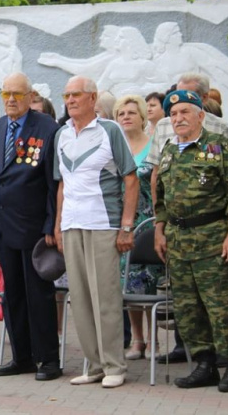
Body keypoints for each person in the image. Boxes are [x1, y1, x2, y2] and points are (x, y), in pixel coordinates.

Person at [154, 89, 228, 392]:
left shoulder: (219, 147)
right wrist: (159, 230)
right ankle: (204, 363)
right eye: (174, 114)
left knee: (222, 306)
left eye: (184, 112)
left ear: (200, 115)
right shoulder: (169, 150)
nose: (178, 118)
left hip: (213, 238)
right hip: (178, 241)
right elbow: (161, 199)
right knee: (187, 308)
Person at [53, 78, 138, 388]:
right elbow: (62, 184)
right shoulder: (61, 134)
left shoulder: (110, 130)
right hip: (72, 224)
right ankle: (95, 364)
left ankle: (115, 365)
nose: (70, 100)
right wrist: (58, 225)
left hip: (104, 223)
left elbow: (131, 179)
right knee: (80, 296)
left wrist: (126, 226)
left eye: (76, 94)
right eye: (67, 95)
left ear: (92, 98)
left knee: (105, 296)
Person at [0, 72, 62, 381]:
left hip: (34, 227)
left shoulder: (47, 128)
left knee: (38, 296)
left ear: (31, 96)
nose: (12, 100)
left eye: (18, 94)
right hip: (3, 226)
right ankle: (22, 357)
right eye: (6, 94)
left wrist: (50, 222)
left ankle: (49, 360)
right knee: (12, 295)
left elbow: (52, 182)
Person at [113, 94, 163, 360]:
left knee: (149, 283)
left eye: (132, 112)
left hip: (147, 222)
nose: (126, 117)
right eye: (121, 113)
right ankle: (137, 339)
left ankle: (154, 340)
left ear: (143, 117)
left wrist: (160, 222)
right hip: (122, 224)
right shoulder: (114, 147)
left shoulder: (154, 145)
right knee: (128, 283)